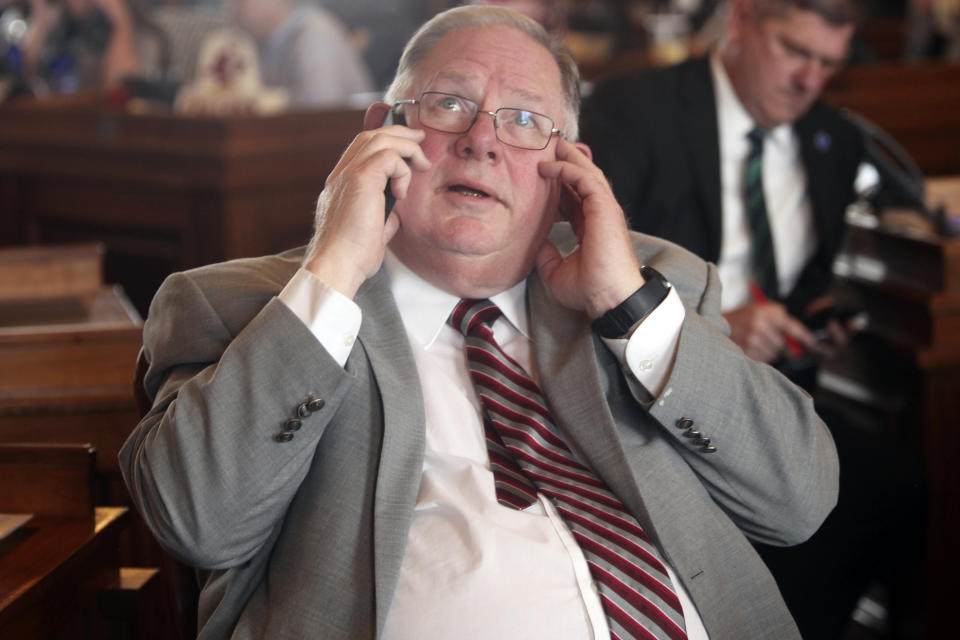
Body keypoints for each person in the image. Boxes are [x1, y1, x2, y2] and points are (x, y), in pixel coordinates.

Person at [120, 6, 839, 639]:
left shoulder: (652, 286)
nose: (483, 141)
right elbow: (197, 521)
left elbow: (799, 502)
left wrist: (627, 303)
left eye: (524, 121)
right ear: (379, 133)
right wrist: (333, 270)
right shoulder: (237, 306)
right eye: (448, 105)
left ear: (566, 170)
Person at [581, 0, 927, 637]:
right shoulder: (634, 109)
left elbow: (806, 281)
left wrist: (815, 316)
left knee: (899, 488)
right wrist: (713, 331)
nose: (808, 81)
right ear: (740, 22)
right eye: (795, 52)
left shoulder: (837, 139)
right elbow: (586, 271)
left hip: (771, 393)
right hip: (647, 391)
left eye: (827, 64)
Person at [223, 0, 372, 108]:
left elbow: (319, 115)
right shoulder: (258, 43)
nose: (228, 5)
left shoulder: (314, 33)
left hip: (343, 145)